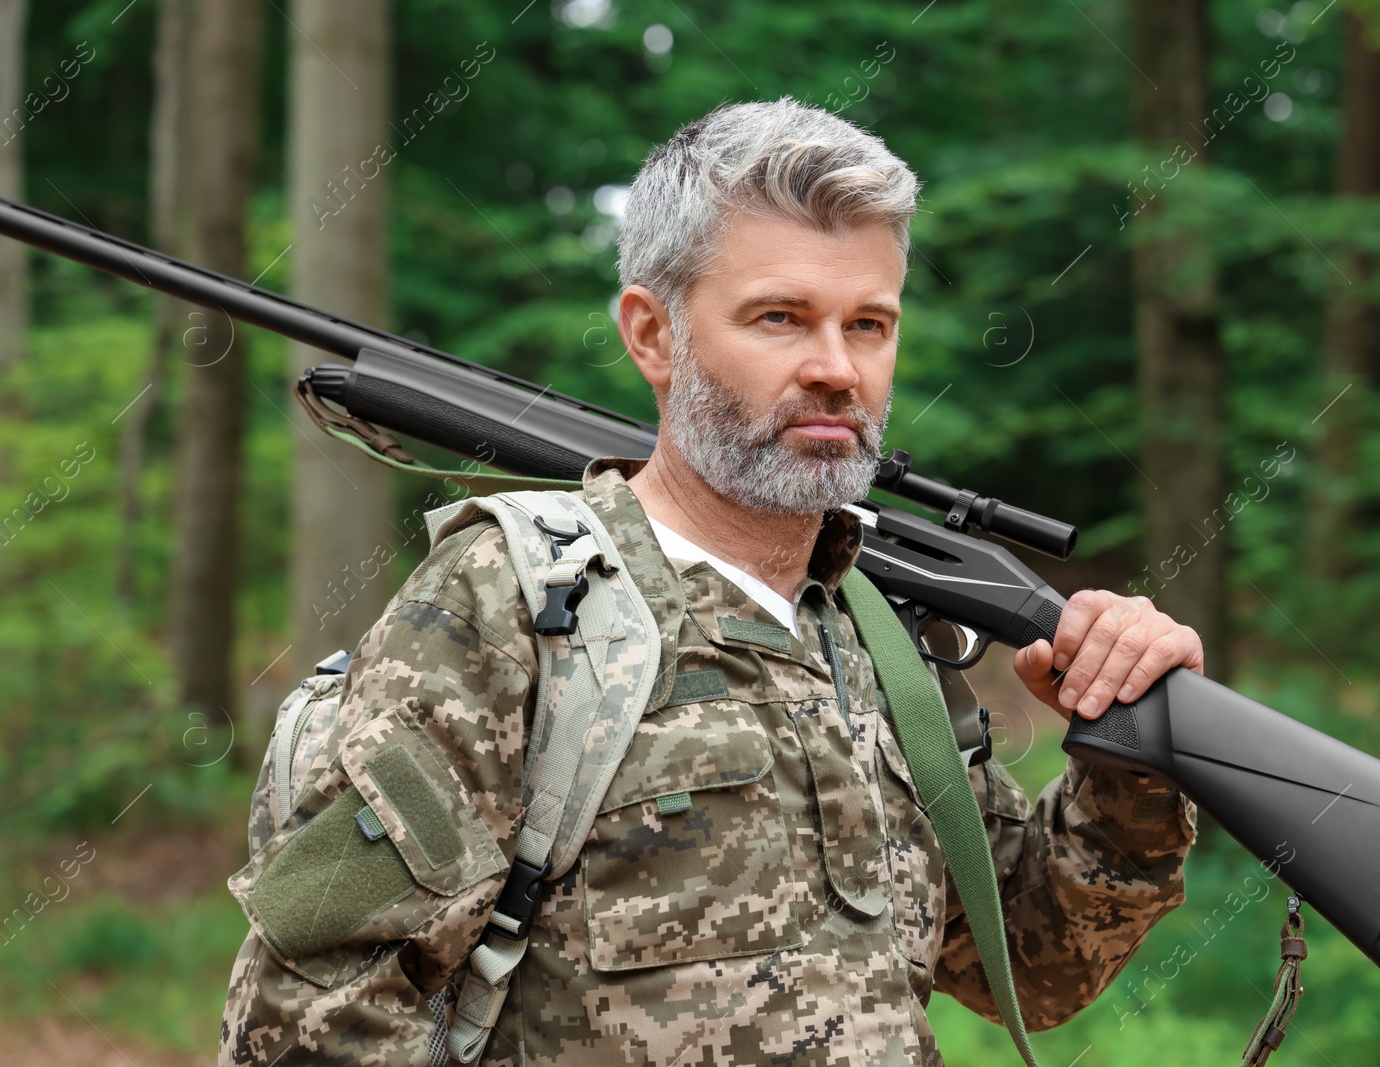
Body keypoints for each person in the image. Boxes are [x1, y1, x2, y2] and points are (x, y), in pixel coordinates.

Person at [220, 95, 1202, 1066]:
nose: (837, 369)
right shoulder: (509, 603)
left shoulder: (883, 634)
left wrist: (1131, 754)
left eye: (869, 323)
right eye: (781, 317)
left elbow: (1027, 969)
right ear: (652, 334)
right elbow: (307, 1027)